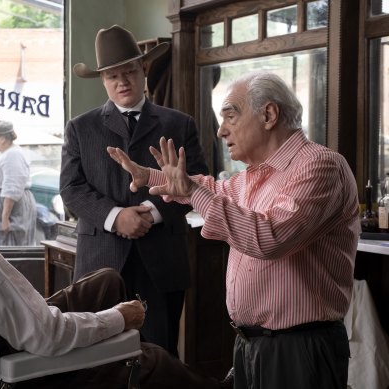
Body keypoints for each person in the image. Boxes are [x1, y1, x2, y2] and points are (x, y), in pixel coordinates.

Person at [0, 135, 219, 389]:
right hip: (18, 369)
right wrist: (118, 318)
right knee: (151, 359)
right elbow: (46, 336)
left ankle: (112, 353)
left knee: (107, 281)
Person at [108, 71, 360, 389]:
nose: (220, 129)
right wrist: (153, 176)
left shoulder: (320, 166)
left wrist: (192, 190)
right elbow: (212, 188)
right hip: (253, 344)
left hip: (299, 348)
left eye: (230, 116)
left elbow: (269, 238)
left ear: (269, 114)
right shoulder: (254, 176)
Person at [60, 24, 209, 356]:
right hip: (101, 264)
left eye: (128, 72)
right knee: (99, 360)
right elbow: (71, 189)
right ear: (103, 81)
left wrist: (153, 214)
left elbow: (198, 180)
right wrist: (116, 217)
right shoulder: (80, 128)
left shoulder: (179, 123)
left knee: (159, 357)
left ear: (144, 70)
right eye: (112, 76)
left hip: (162, 260)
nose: (122, 81)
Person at [0, 120, 36, 246]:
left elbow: (12, 188)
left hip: (10, 211)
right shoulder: (2, 153)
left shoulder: (13, 154)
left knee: (9, 244)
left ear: (3, 138)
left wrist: (5, 218)